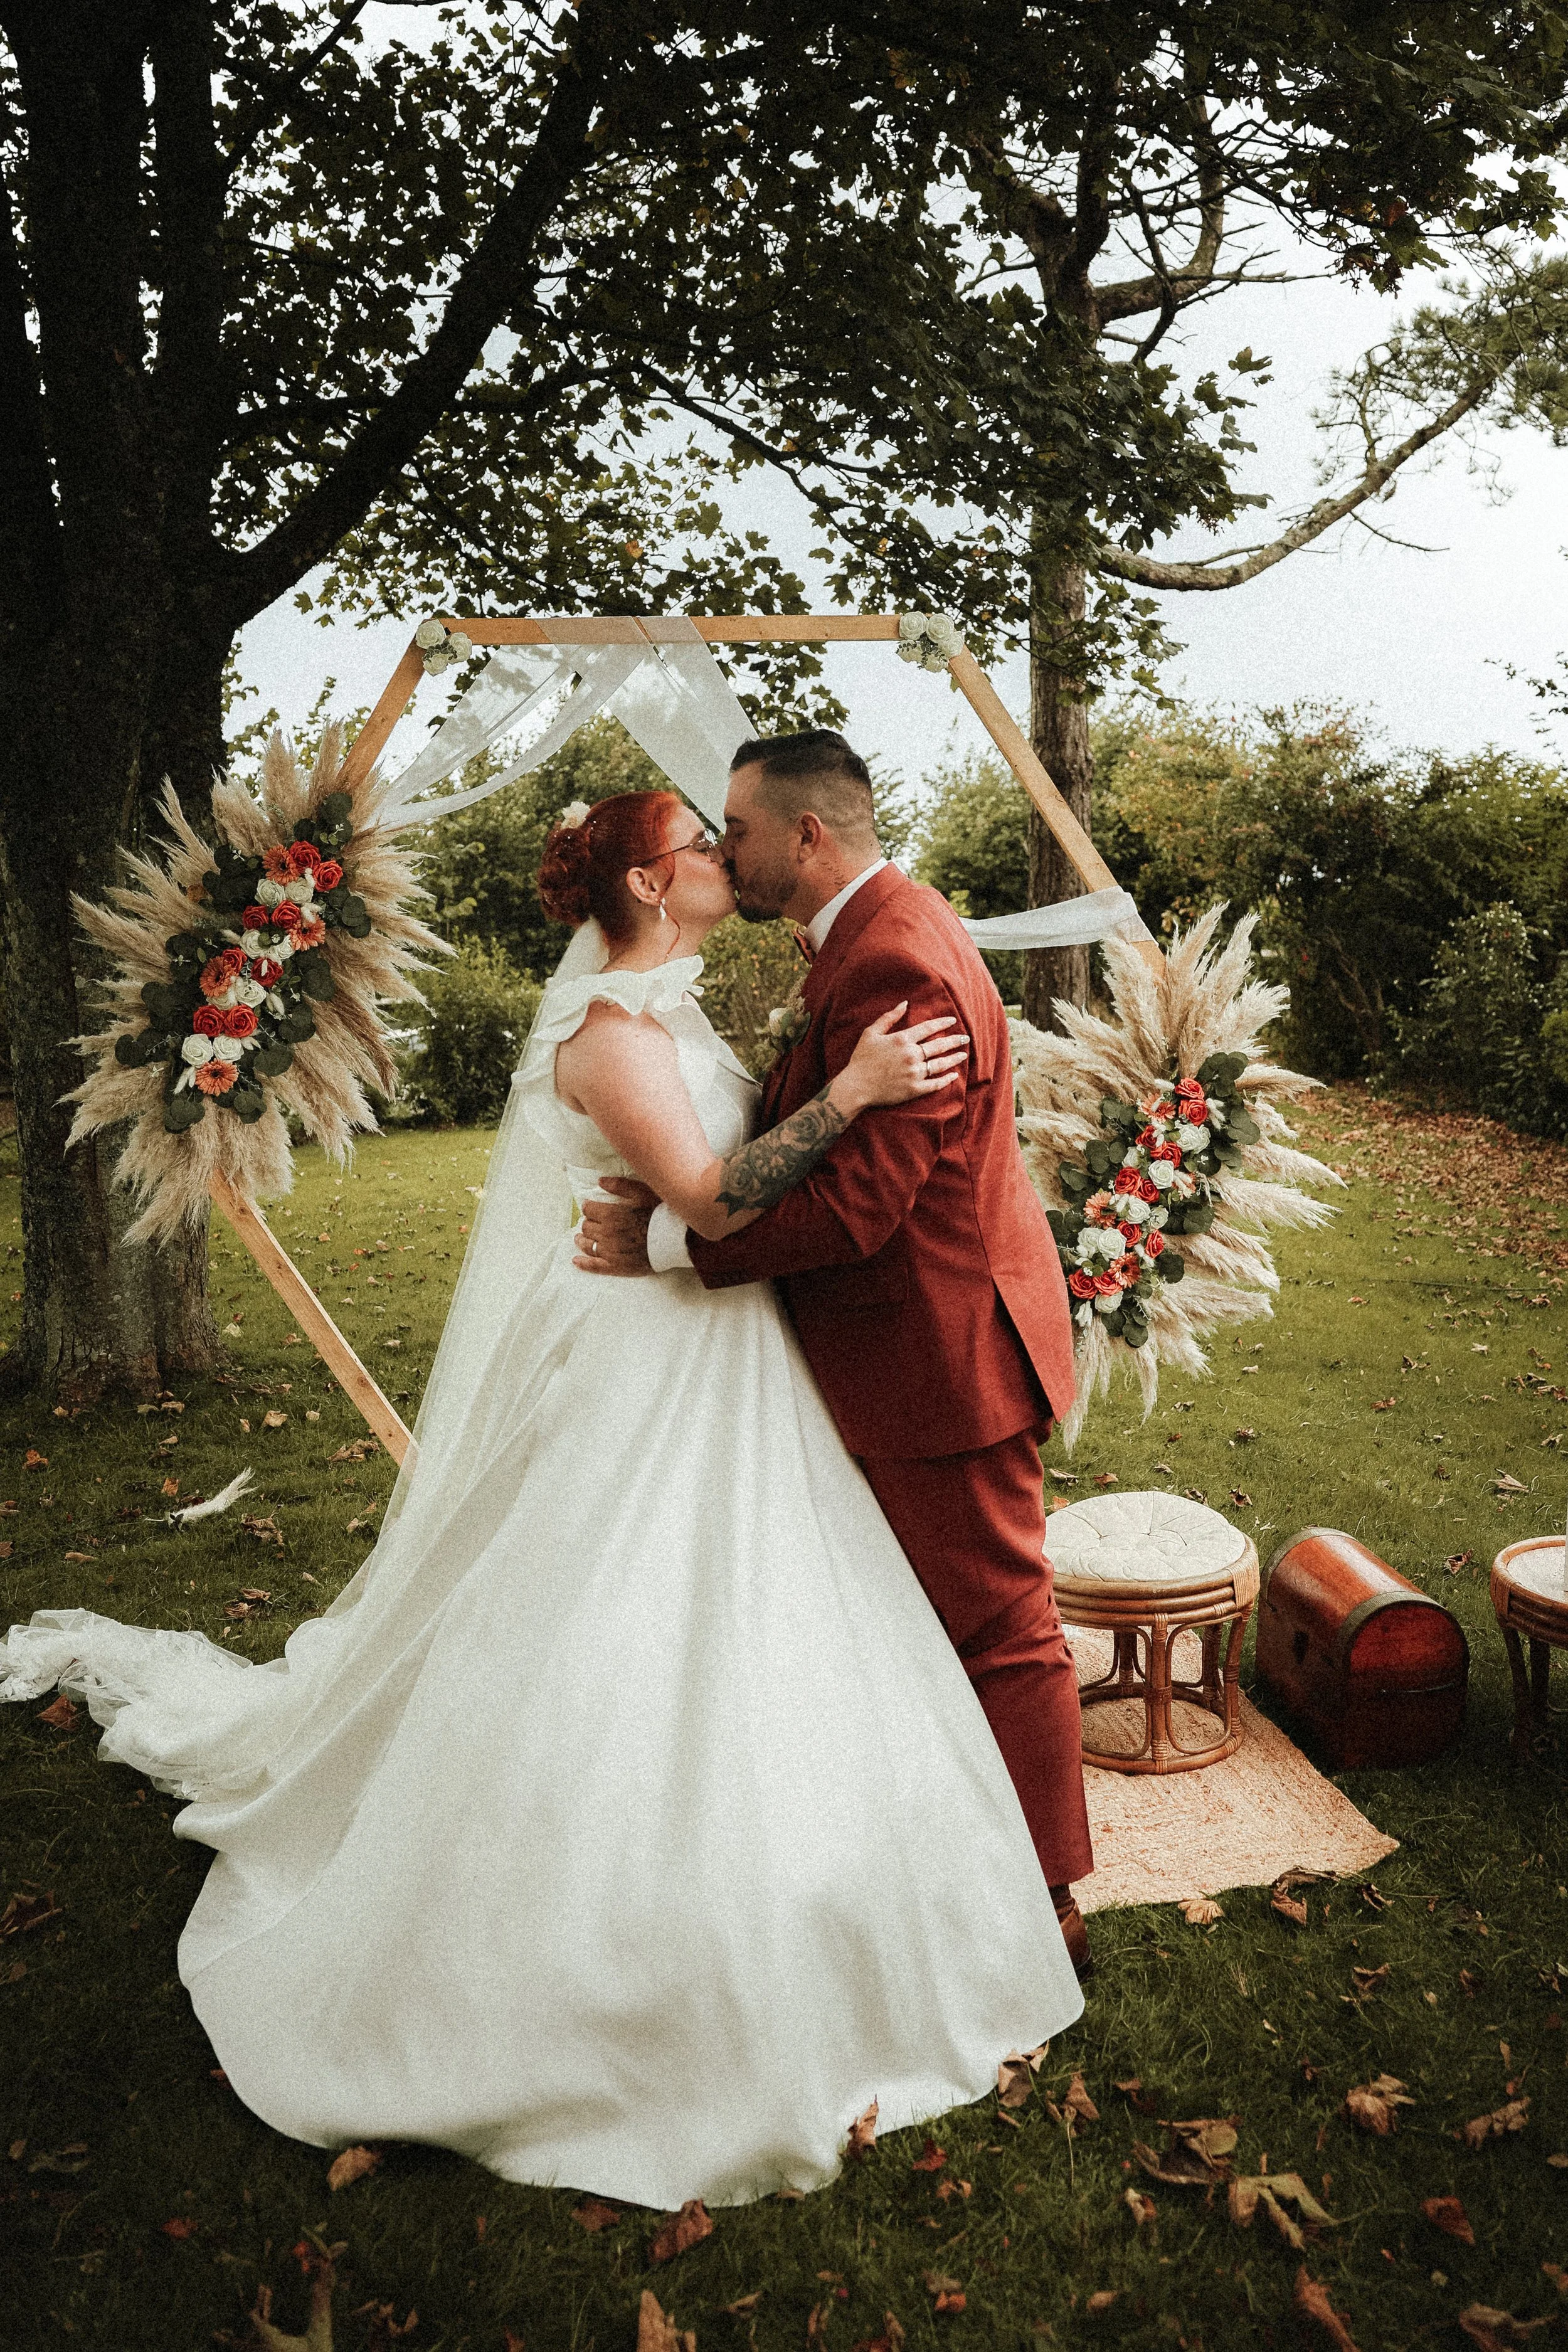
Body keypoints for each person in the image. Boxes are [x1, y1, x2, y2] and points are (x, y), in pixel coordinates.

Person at [0, 785, 1083, 2212]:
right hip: (641, 1364)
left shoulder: (676, 1007)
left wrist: (764, 1153)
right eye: (700, 847)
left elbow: (698, 1211)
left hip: (725, 1355)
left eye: (727, 837)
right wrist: (850, 1092)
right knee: (620, 1618)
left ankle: (914, 1875)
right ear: (648, 881)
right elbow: (708, 1200)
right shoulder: (604, 1032)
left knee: (785, 1613)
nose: (720, 859)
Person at [578, 733, 1095, 1969]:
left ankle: (1047, 1904)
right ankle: (953, 1852)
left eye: (739, 831)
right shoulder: (874, 935)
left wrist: (668, 1245)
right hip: (914, 1338)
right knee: (921, 1617)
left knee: (997, 1624)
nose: (728, 851)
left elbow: (860, 1211)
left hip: (938, 1350)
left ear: (807, 836)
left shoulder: (896, 957)